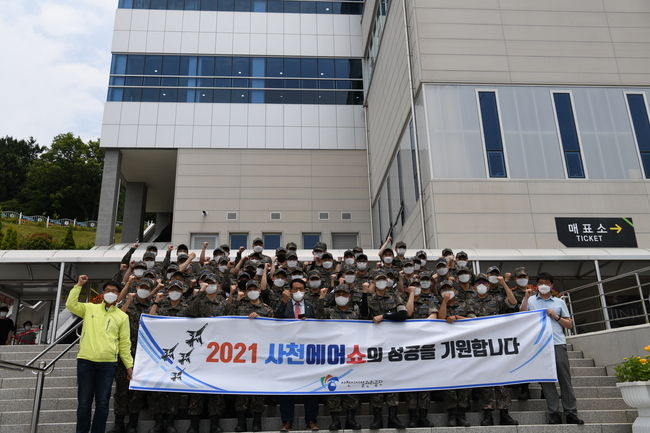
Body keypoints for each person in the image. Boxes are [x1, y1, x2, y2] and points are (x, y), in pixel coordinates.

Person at [66, 275, 133, 433]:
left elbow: (124, 343)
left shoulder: (122, 317)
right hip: (86, 362)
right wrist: (79, 285)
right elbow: (70, 305)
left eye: (114, 291)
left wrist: (129, 366)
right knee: (84, 403)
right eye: (107, 290)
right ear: (103, 293)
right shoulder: (90, 308)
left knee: (102, 403)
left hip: (108, 365)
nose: (110, 293)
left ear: (119, 295)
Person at [520, 272, 585, 425]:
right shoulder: (531, 300)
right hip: (539, 346)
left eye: (547, 283)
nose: (544, 285)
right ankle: (554, 412)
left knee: (565, 380)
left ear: (551, 285)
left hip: (557, 343)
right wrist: (525, 298)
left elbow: (569, 324)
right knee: (547, 381)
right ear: (537, 285)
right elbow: (521, 315)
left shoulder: (559, 302)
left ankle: (571, 412)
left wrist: (555, 316)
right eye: (541, 283)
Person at [360, 272, 414, 430]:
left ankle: (393, 416)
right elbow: (363, 314)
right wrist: (364, 294)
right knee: (376, 379)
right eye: (379, 280)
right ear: (374, 282)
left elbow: (403, 314)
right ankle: (377, 418)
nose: (382, 282)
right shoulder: (369, 298)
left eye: (384, 279)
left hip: (392, 344)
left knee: (392, 379)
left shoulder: (394, 296)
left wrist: (384, 316)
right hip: (374, 344)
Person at [274, 279, 319, 432]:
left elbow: (320, 325)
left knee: (311, 388)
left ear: (305, 290)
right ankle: (287, 422)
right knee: (286, 388)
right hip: (288, 351)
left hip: (307, 353)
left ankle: (311, 420)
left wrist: (310, 322)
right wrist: (282, 302)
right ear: (290, 290)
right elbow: (275, 320)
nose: (298, 291)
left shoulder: (311, 306)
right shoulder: (284, 304)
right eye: (295, 289)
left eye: (301, 289)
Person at [316, 284, 362, 431]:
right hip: (333, 356)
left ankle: (351, 419)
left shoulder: (355, 313)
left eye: (344, 294)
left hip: (350, 355)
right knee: (332, 386)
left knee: (351, 387)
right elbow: (318, 316)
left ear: (349, 296)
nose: (341, 297)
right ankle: (335, 420)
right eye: (338, 294)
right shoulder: (329, 312)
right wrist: (322, 298)